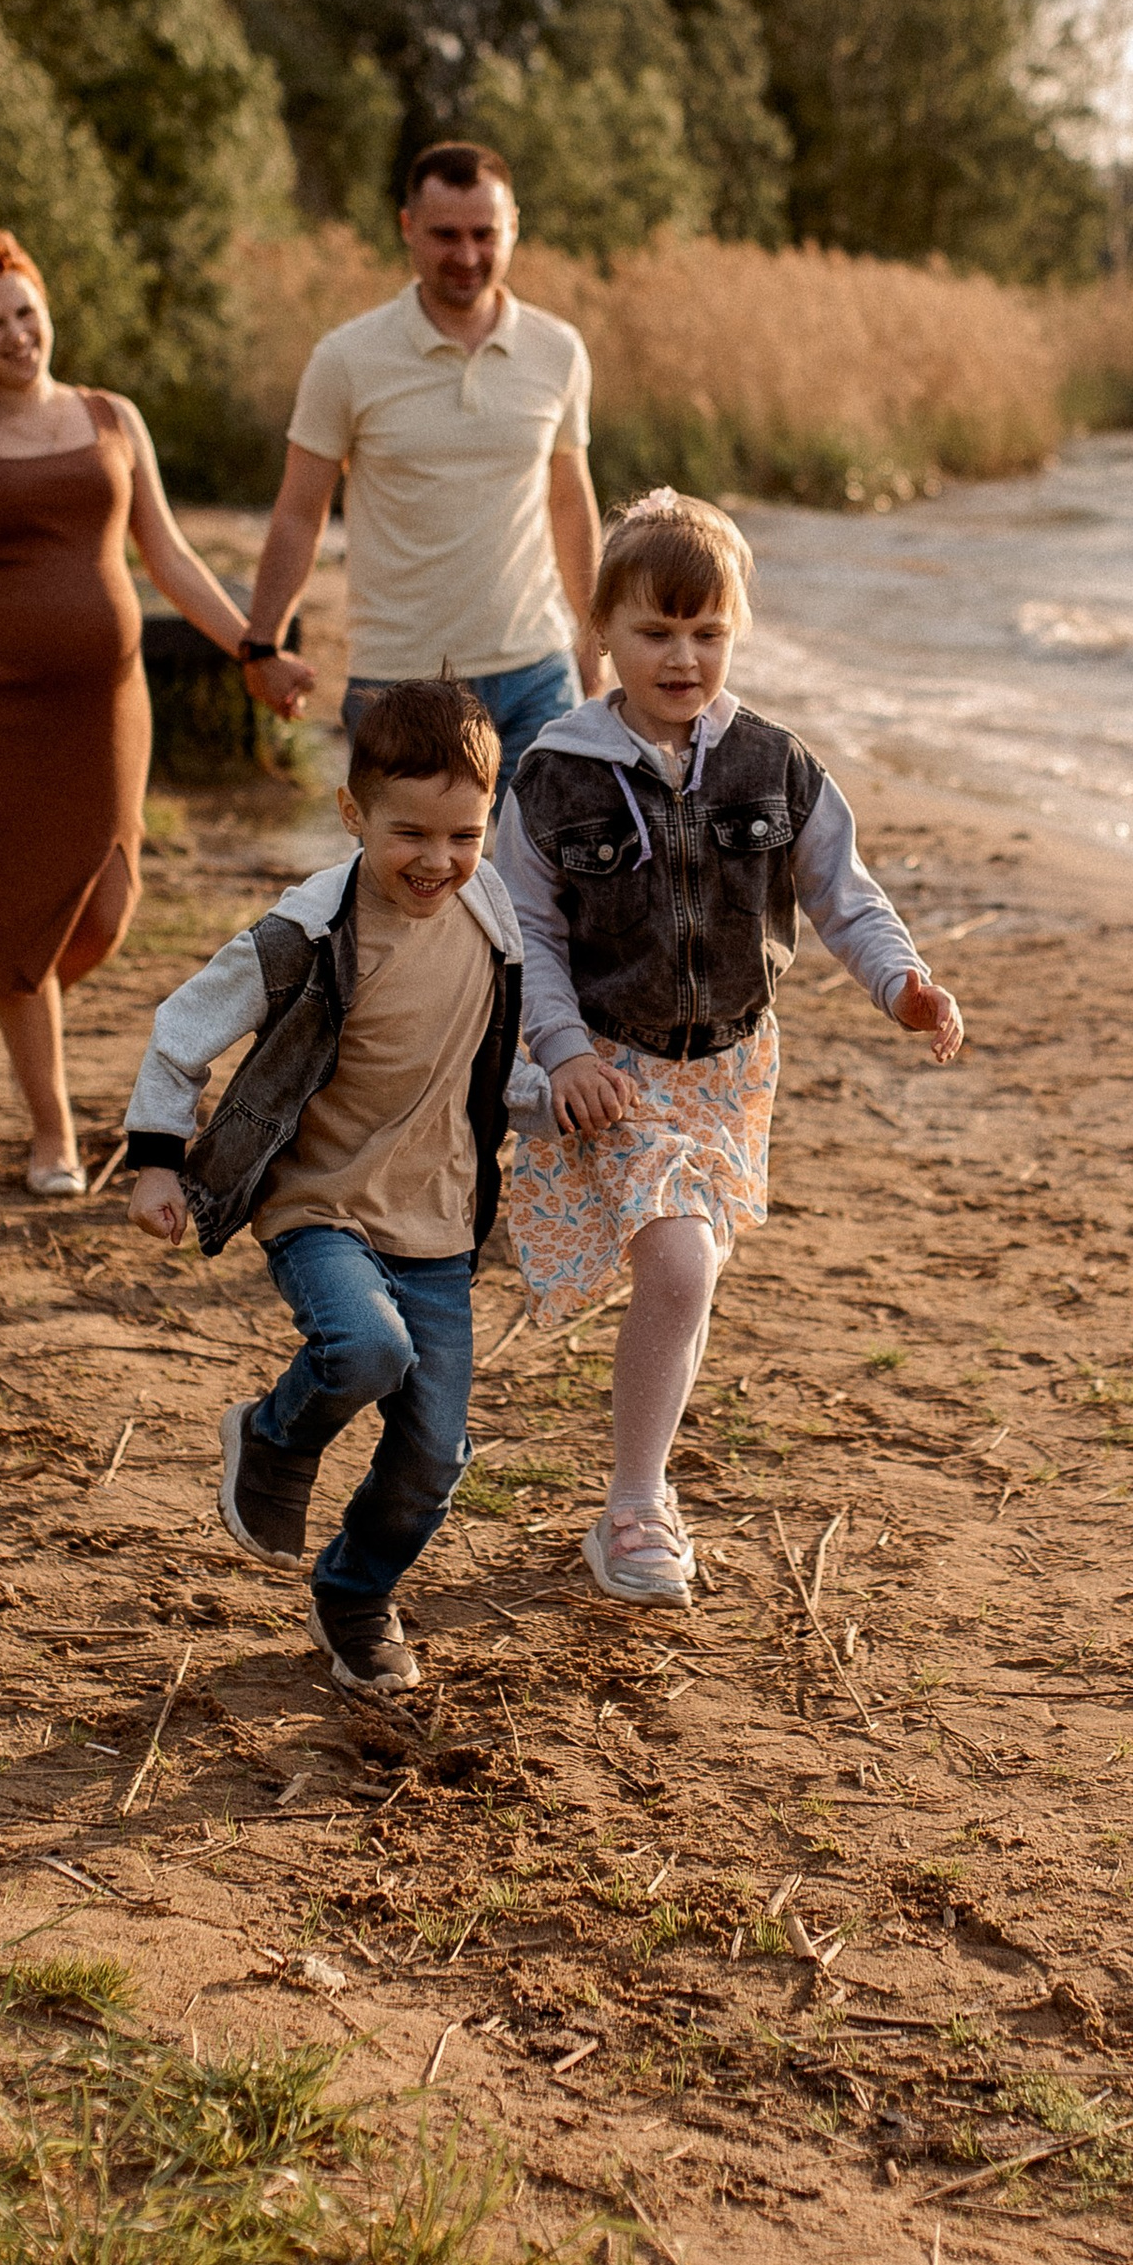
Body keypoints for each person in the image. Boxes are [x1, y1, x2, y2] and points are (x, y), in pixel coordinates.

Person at [493, 489, 963, 1608]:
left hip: (735, 1071)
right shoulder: (555, 773)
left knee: (686, 1273)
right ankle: (635, 1505)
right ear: (601, 628)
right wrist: (561, 1053)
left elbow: (844, 897)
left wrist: (903, 982)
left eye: (707, 632)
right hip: (610, 1069)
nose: (682, 654)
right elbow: (527, 934)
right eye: (656, 630)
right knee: (680, 1263)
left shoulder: (773, 764)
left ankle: (635, 1488)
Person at [122, 679, 520, 1696]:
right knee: (365, 1346)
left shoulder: (492, 910)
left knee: (435, 1456)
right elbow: (180, 1030)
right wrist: (158, 1159)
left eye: (464, 833)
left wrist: (562, 1096)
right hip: (321, 1204)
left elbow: (490, 1053)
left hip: (436, 1218)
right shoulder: (307, 930)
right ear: (354, 815)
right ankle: (271, 1434)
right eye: (410, 834)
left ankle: (354, 1590)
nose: (438, 860)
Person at [0, 230, 271, 1197]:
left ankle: (26, 999)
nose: (20, 334)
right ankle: (53, 1131)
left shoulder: (113, 416)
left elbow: (171, 555)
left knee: (105, 904)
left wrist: (253, 648)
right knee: (21, 906)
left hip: (107, 704)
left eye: (28, 311)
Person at [238, 141, 603, 801]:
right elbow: (299, 512)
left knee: (546, 894)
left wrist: (596, 630)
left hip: (537, 672)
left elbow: (569, 499)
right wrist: (261, 644)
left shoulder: (559, 351)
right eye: (445, 235)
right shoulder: (347, 359)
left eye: (484, 234)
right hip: (398, 681)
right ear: (408, 228)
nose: (466, 256)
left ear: (513, 225)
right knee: (418, 892)